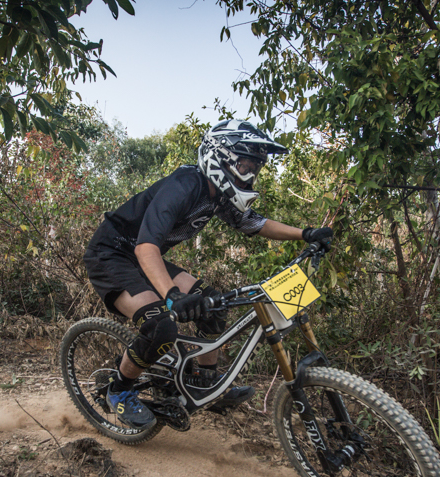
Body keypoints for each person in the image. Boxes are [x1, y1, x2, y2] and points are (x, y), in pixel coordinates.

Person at [83, 120, 333, 428]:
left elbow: (254, 223)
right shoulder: (185, 185)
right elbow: (146, 247)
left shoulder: (218, 196)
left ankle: (205, 382)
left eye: (256, 166)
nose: (251, 173)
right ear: (221, 157)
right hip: (112, 255)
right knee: (160, 327)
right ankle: (119, 391)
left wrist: (306, 234)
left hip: (145, 258)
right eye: (245, 163)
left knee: (213, 306)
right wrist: (172, 297)